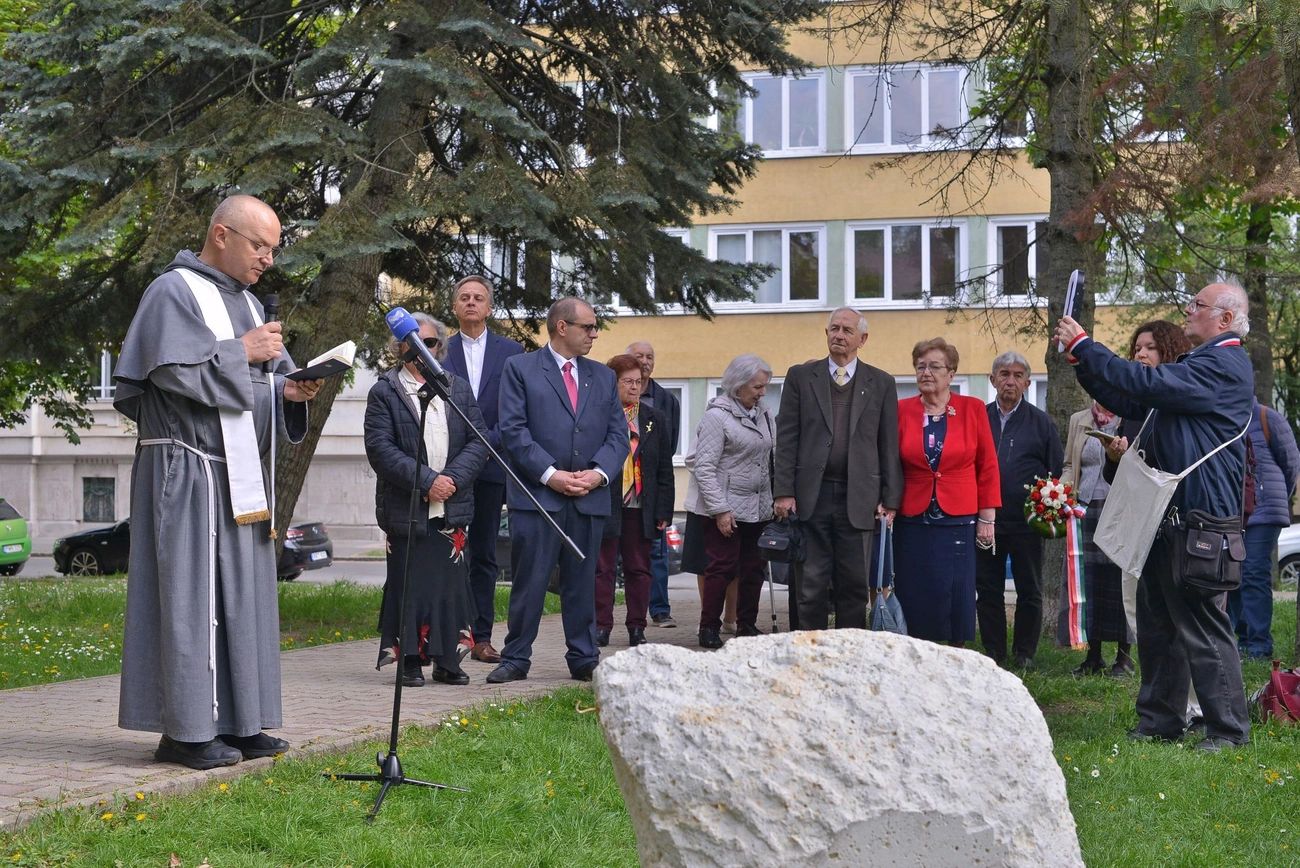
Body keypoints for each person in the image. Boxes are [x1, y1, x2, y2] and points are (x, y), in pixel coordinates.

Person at [113, 195, 323, 770]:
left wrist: (289, 390)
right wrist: (241, 353)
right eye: (260, 246)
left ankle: (238, 721)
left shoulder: (252, 305)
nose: (267, 261)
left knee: (242, 598)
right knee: (188, 598)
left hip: (237, 475)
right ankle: (183, 730)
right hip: (185, 471)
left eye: (274, 250)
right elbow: (172, 375)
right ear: (222, 234)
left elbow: (253, 392)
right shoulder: (173, 291)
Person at [1055, 282, 1254, 752]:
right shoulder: (1201, 362)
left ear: (1225, 320)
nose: (1188, 310)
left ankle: (1227, 732)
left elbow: (1147, 384)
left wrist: (1087, 344)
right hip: (1169, 515)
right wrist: (1083, 362)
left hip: (1199, 517)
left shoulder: (1223, 364)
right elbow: (1131, 400)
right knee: (1158, 624)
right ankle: (1160, 722)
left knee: (1203, 626)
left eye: (1198, 305)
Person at [487, 297, 629, 683]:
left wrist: (598, 474)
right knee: (530, 581)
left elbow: (619, 435)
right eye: (588, 327)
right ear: (562, 327)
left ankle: (584, 657)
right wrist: (552, 475)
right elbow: (514, 432)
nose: (595, 334)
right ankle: (516, 658)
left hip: (589, 497)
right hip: (538, 498)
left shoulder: (601, 376)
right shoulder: (521, 368)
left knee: (583, 581)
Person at [365, 313, 489, 687]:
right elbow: (381, 449)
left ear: (440, 349)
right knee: (410, 586)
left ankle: (448, 660)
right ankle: (411, 661)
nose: (421, 349)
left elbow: (478, 441)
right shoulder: (385, 390)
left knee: (451, 586)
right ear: (399, 347)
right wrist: (428, 482)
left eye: (430, 343)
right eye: (413, 342)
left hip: (451, 506)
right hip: (408, 507)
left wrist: (450, 480)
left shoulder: (456, 388)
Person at [773, 308, 903, 630]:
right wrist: (784, 491)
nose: (839, 335)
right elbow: (787, 437)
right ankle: (811, 652)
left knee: (855, 586)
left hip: (859, 498)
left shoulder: (882, 383)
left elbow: (888, 443)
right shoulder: (801, 377)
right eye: (834, 329)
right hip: (810, 497)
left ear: (863, 339)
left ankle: (850, 655)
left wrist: (890, 498)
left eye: (847, 330)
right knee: (810, 586)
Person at [892, 338, 1000, 646]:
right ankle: (915, 650)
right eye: (921, 366)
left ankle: (955, 653)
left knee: (955, 592)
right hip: (912, 517)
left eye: (935, 366)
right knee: (914, 590)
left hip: (958, 519)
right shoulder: (901, 411)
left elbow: (988, 465)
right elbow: (889, 461)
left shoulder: (973, 409)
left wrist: (987, 518)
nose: (927, 372)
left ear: (951, 374)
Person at [443, 275, 525, 665]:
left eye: (479, 298)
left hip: (492, 467)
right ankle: (447, 634)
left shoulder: (512, 351)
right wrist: (463, 454)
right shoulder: (440, 351)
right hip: (450, 470)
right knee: (448, 551)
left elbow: (515, 410)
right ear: (455, 307)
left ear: (490, 308)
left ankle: (481, 636)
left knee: (484, 555)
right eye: (464, 298)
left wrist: (486, 446)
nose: (472, 303)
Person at [1103, 320, 1194, 637]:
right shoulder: (1134, 407)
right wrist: (1114, 457)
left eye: (1151, 348)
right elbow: (1116, 476)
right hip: (1138, 523)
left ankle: (1190, 687)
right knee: (1144, 616)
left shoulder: (1182, 402)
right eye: (1137, 348)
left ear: (1171, 351)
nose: (1141, 354)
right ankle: (1158, 685)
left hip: (1177, 525)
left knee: (1184, 620)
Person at [974, 351, 1064, 668]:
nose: (1009, 381)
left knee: (1030, 591)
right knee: (987, 590)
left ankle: (1025, 654)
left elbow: (1056, 470)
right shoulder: (978, 419)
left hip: (1026, 523)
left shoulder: (1041, 423)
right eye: (1003, 374)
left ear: (1027, 382)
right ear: (992, 380)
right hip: (986, 521)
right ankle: (994, 653)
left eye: (1016, 375)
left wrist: (1047, 509)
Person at [685, 354, 777, 648]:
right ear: (738, 386)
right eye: (757, 387)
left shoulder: (765, 414)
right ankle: (708, 627)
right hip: (724, 507)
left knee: (754, 567)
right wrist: (720, 510)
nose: (763, 393)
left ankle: (746, 623)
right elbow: (704, 467)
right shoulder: (716, 417)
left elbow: (770, 458)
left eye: (764, 387)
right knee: (721, 567)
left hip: (759, 506)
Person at [594, 355, 675, 647]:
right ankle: (601, 626)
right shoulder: (599, 415)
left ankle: (637, 627)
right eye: (627, 381)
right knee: (602, 568)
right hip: (607, 503)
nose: (634, 387)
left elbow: (664, 468)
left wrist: (664, 508)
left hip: (641, 506)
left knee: (640, 569)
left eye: (639, 381)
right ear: (612, 383)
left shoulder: (654, 418)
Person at [1059, 401, 1133, 677]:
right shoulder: (1079, 419)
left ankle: (1124, 659)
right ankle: (1093, 656)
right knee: (1089, 583)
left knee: (1119, 582)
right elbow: (1070, 464)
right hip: (1085, 508)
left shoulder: (1130, 417)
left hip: (1120, 510)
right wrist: (1058, 491)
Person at [1228, 399, 1299, 659]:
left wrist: (1272, 497)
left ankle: (1259, 645)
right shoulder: (1221, 417)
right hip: (1231, 512)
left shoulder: (1268, 418)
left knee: (1254, 573)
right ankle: (1243, 639)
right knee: (1231, 576)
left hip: (1264, 511)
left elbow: (1292, 464)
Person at [627, 341, 682, 629]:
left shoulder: (666, 401)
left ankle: (659, 610)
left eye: (650, 356)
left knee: (656, 553)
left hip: (651, 488)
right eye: (639, 356)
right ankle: (606, 617)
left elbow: (668, 448)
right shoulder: (614, 397)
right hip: (622, 490)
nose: (645, 361)